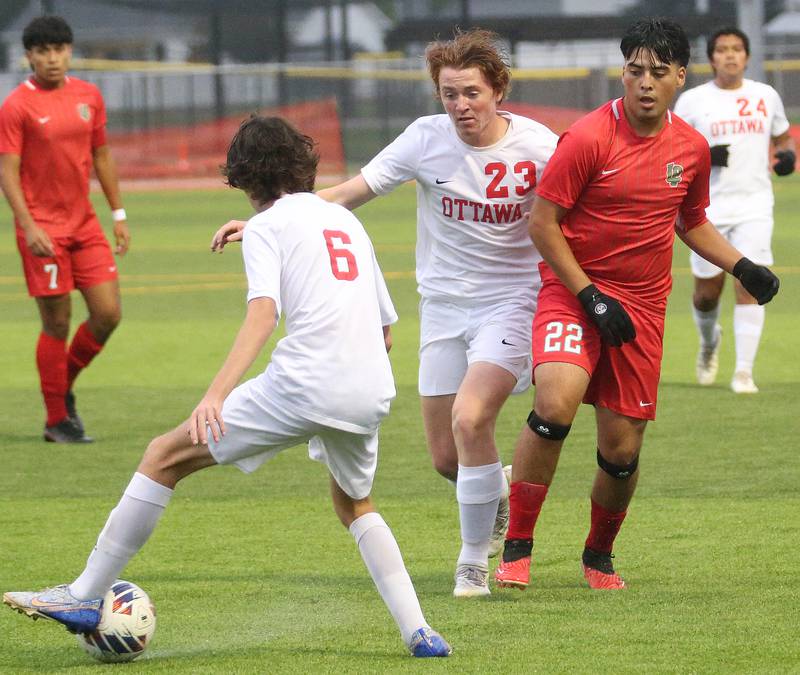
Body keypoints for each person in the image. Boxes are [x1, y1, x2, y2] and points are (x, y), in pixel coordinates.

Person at [3, 116, 451, 658]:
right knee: (355, 502)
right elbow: (384, 329)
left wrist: (214, 394)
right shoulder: (343, 221)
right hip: (370, 388)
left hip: (307, 382)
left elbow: (264, 313)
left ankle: (83, 594)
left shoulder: (266, 228)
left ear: (243, 178)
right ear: (302, 167)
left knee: (163, 456)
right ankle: (420, 632)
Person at [213, 29, 557, 598]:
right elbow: (350, 192)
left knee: (471, 419)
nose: (460, 106)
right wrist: (268, 222)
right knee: (448, 458)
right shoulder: (426, 139)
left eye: (471, 92)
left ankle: (473, 565)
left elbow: (585, 204)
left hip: (512, 302)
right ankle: (499, 491)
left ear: (498, 89)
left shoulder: (540, 147)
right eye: (448, 94)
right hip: (444, 308)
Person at [493, 18, 779, 592]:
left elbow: (692, 220)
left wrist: (741, 265)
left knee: (621, 452)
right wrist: (590, 296)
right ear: (623, 72)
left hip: (642, 311)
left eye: (657, 72)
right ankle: (517, 546)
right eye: (634, 69)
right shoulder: (588, 137)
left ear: (679, 76)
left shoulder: (692, 149)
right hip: (574, 294)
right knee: (554, 406)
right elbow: (543, 225)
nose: (643, 82)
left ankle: (598, 555)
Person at [0, 15, 130, 443]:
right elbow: (8, 172)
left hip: (85, 224)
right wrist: (28, 226)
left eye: (59, 50)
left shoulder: (88, 96)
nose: (52, 58)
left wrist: (118, 214)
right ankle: (57, 420)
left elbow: (102, 155)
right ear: (30, 56)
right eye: (43, 51)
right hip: (43, 231)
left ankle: (61, 385)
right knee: (57, 323)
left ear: (69, 51)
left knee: (108, 314)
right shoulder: (17, 106)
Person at [674, 27, 795, 393]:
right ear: (711, 58)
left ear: (746, 56)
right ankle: (710, 342)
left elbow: (782, 136)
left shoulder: (765, 96)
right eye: (722, 49)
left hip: (755, 205)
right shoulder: (692, 101)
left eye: (737, 49)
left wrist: (787, 155)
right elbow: (671, 151)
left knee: (751, 283)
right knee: (706, 294)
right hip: (704, 211)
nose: (730, 55)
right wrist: (704, 155)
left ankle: (743, 372)